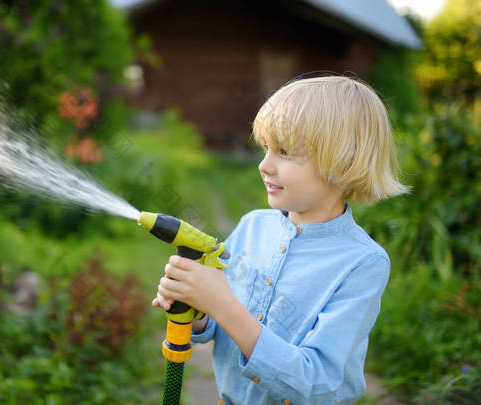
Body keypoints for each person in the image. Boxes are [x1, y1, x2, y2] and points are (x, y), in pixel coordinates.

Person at [151, 75, 409, 405]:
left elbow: (318, 383)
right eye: (265, 149)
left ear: (344, 159)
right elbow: (220, 324)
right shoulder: (252, 227)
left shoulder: (362, 263)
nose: (263, 165)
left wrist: (221, 303)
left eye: (284, 152)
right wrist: (198, 308)